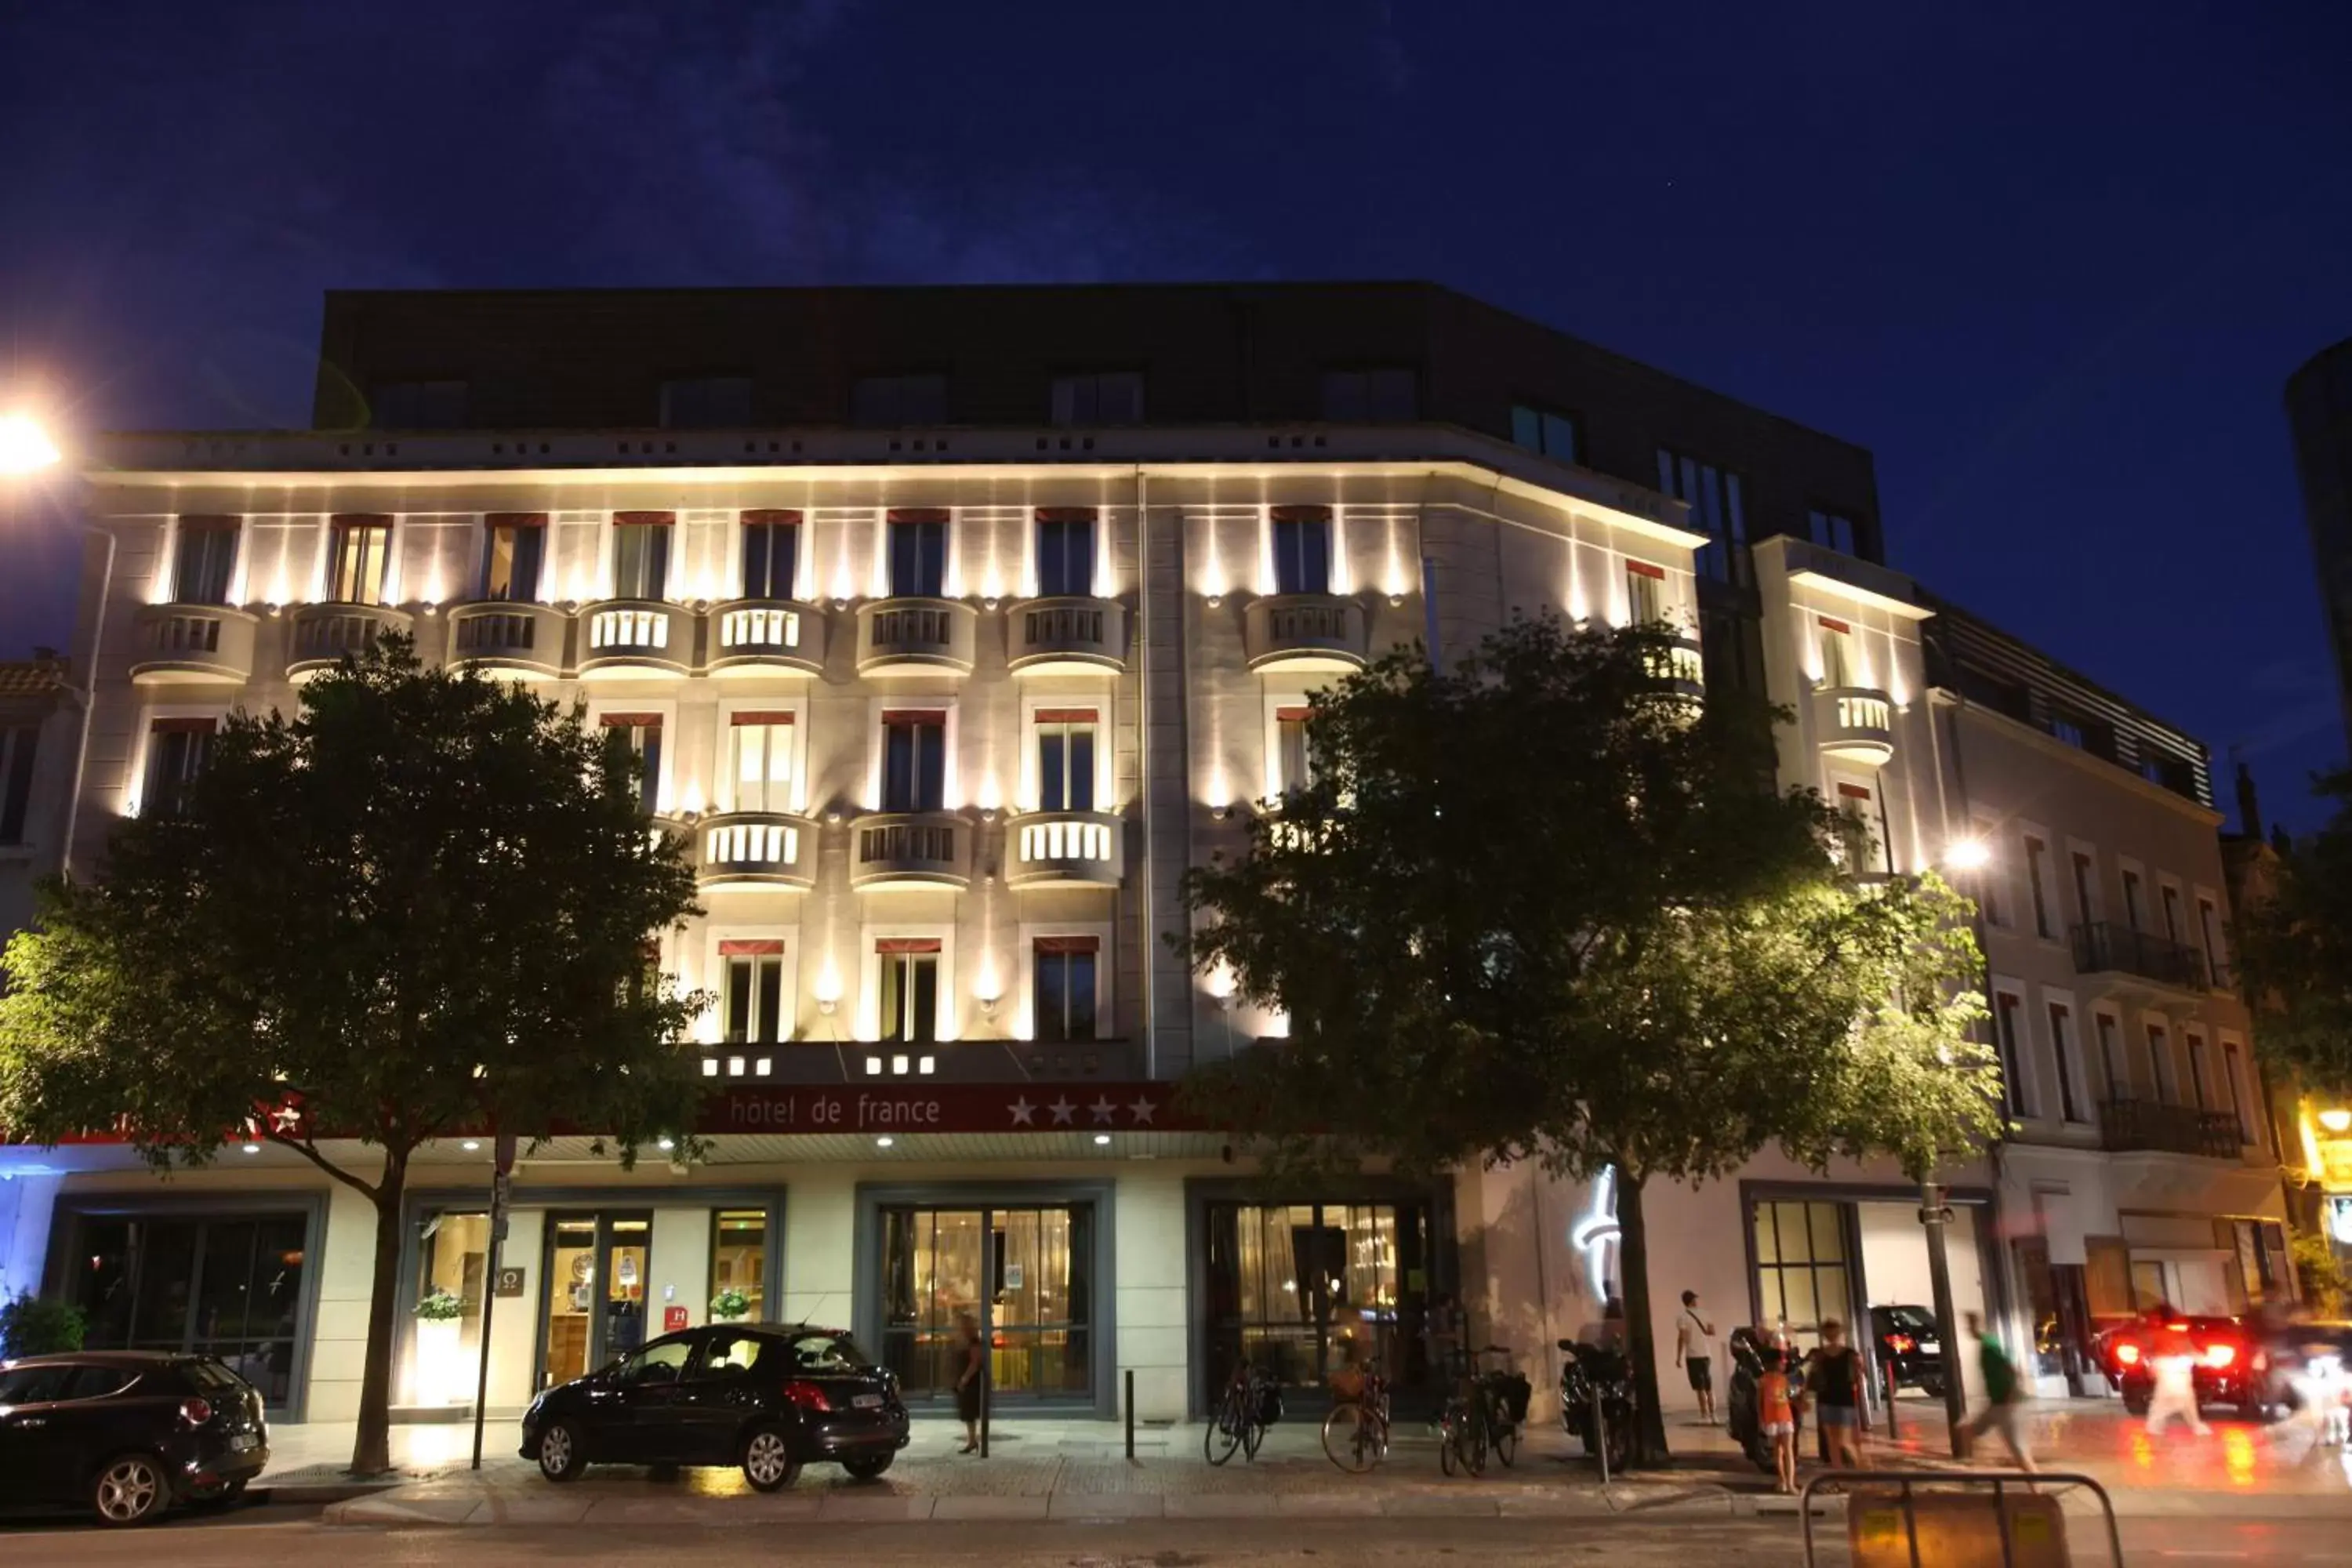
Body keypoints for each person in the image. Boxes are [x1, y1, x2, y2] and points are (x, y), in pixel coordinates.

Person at [1955, 1311, 2036, 1471]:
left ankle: (2037, 1485)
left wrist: (2012, 1392)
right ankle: (1973, 1467)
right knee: (1965, 1429)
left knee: (2019, 1451)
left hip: (2006, 1406)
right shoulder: (1987, 1344)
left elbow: (2012, 1368)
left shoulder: (1989, 1346)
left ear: (1977, 1326)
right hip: (1996, 1405)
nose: (1968, 1330)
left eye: (1969, 1326)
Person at [2140, 1304, 2209, 1438]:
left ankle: (2155, 1426)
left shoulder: (2156, 1332)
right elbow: (2187, 1349)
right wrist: (2205, 1359)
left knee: (2175, 1400)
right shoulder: (2172, 1333)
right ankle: (2155, 1426)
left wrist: (2150, 1365)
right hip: (2175, 1370)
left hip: (2166, 1368)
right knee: (2179, 1400)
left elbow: (2148, 1350)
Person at [1810, 1319, 1869, 1469]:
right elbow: (1813, 1374)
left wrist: (1860, 1381)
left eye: (1834, 1331)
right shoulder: (1820, 1354)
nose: (1831, 1334)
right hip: (1826, 1397)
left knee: (1844, 1440)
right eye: (1828, 1331)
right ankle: (1838, 1472)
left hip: (1845, 1398)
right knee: (1832, 1440)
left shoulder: (1850, 1354)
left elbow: (1860, 1374)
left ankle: (1862, 1466)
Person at [1759, 1344, 1798, 1494]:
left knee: (1788, 1450)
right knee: (1778, 1452)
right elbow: (1759, 1401)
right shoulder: (1763, 1380)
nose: (1784, 1364)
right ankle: (1782, 1480)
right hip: (1771, 1419)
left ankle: (1790, 1482)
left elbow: (1790, 1397)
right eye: (1782, 1361)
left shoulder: (1785, 1379)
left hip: (1785, 1417)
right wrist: (1761, 1419)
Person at [1676, 1290, 1717, 1424]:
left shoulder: (1683, 1317)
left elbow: (1682, 1337)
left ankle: (1704, 1415)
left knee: (1699, 1388)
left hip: (1692, 1355)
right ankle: (1714, 1415)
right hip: (1706, 1353)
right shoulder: (1705, 1314)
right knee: (1709, 1386)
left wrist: (1678, 1356)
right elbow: (1712, 1331)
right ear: (1692, 1301)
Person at [952, 1310, 986, 1454]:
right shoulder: (966, 1340)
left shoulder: (974, 1342)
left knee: (970, 1412)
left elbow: (974, 1362)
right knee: (968, 1414)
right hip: (968, 1381)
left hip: (971, 1382)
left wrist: (964, 1379)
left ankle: (973, 1441)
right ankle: (972, 1441)